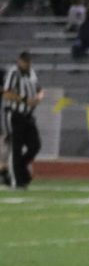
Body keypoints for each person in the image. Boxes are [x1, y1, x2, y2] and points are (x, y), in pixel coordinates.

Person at [1, 51, 43, 189]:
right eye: (25, 62)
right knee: (16, 148)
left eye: (29, 62)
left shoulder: (31, 73)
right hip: (14, 114)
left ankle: (20, 170)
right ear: (19, 61)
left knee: (35, 145)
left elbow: (39, 88)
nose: (27, 64)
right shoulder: (13, 73)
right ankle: (16, 180)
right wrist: (26, 100)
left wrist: (39, 97)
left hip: (28, 116)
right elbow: (6, 94)